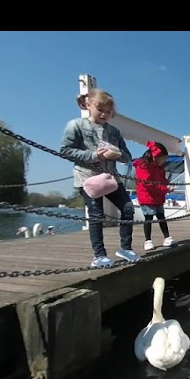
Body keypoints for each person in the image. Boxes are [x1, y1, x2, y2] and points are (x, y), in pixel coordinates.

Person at [60, 88, 140, 267]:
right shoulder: (76, 125)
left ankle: (125, 248)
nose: (105, 114)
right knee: (96, 215)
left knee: (128, 208)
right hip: (88, 178)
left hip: (111, 179)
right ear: (89, 105)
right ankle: (99, 255)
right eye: (101, 109)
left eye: (109, 112)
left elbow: (127, 157)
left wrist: (116, 153)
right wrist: (96, 155)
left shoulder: (114, 132)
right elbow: (65, 151)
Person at [133, 141, 178, 251]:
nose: (164, 161)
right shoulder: (143, 166)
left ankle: (167, 237)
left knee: (161, 217)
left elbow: (162, 179)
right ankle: (148, 241)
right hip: (147, 197)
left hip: (157, 196)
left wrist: (168, 185)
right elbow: (147, 184)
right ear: (156, 157)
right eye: (163, 158)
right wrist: (165, 189)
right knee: (148, 218)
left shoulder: (158, 168)